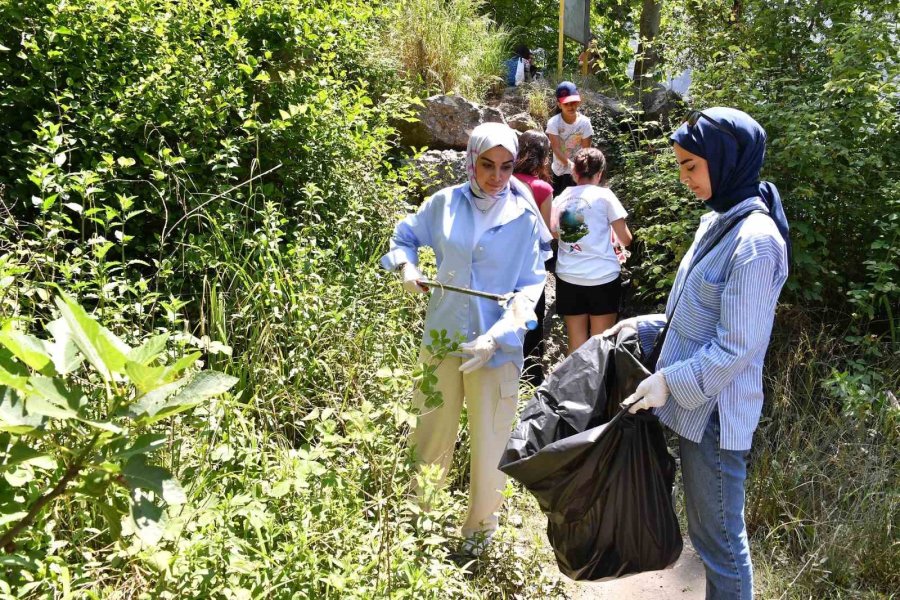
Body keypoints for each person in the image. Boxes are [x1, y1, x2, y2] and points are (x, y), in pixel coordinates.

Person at [606, 107, 791, 600]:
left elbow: (736, 347)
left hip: (715, 415)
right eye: (681, 165)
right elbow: (695, 310)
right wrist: (643, 325)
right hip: (696, 407)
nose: (684, 177)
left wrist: (668, 382)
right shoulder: (718, 222)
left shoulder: (754, 242)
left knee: (721, 544)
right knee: (712, 538)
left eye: (691, 165)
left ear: (727, 159)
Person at [380, 122, 550, 559]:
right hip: (441, 338)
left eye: (506, 166)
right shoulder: (444, 204)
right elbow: (405, 237)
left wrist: (499, 335)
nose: (496, 176)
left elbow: (531, 286)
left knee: (490, 443)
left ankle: (477, 538)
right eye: (486, 165)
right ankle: (421, 523)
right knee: (431, 432)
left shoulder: (524, 215)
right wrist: (407, 269)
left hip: (498, 351)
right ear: (470, 161)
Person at [552, 147, 632, 355]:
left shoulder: (562, 197)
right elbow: (626, 239)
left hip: (568, 277)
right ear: (599, 174)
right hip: (603, 277)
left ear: (574, 173)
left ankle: (574, 387)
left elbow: (553, 232)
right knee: (601, 344)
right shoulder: (605, 196)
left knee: (576, 344)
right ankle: (599, 388)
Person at [513, 130, 554, 386]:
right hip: (531, 265)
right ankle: (530, 379)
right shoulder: (542, 188)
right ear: (544, 157)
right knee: (532, 319)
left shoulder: (503, 181)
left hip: (503, 263)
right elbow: (547, 232)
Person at [546, 81, 593, 197]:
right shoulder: (553, 123)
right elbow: (555, 149)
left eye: (573, 102)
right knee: (557, 203)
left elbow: (586, 150)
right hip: (558, 171)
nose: (570, 106)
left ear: (578, 101)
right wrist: (570, 164)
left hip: (577, 171)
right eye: (566, 104)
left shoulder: (585, 123)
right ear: (559, 104)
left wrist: (579, 168)